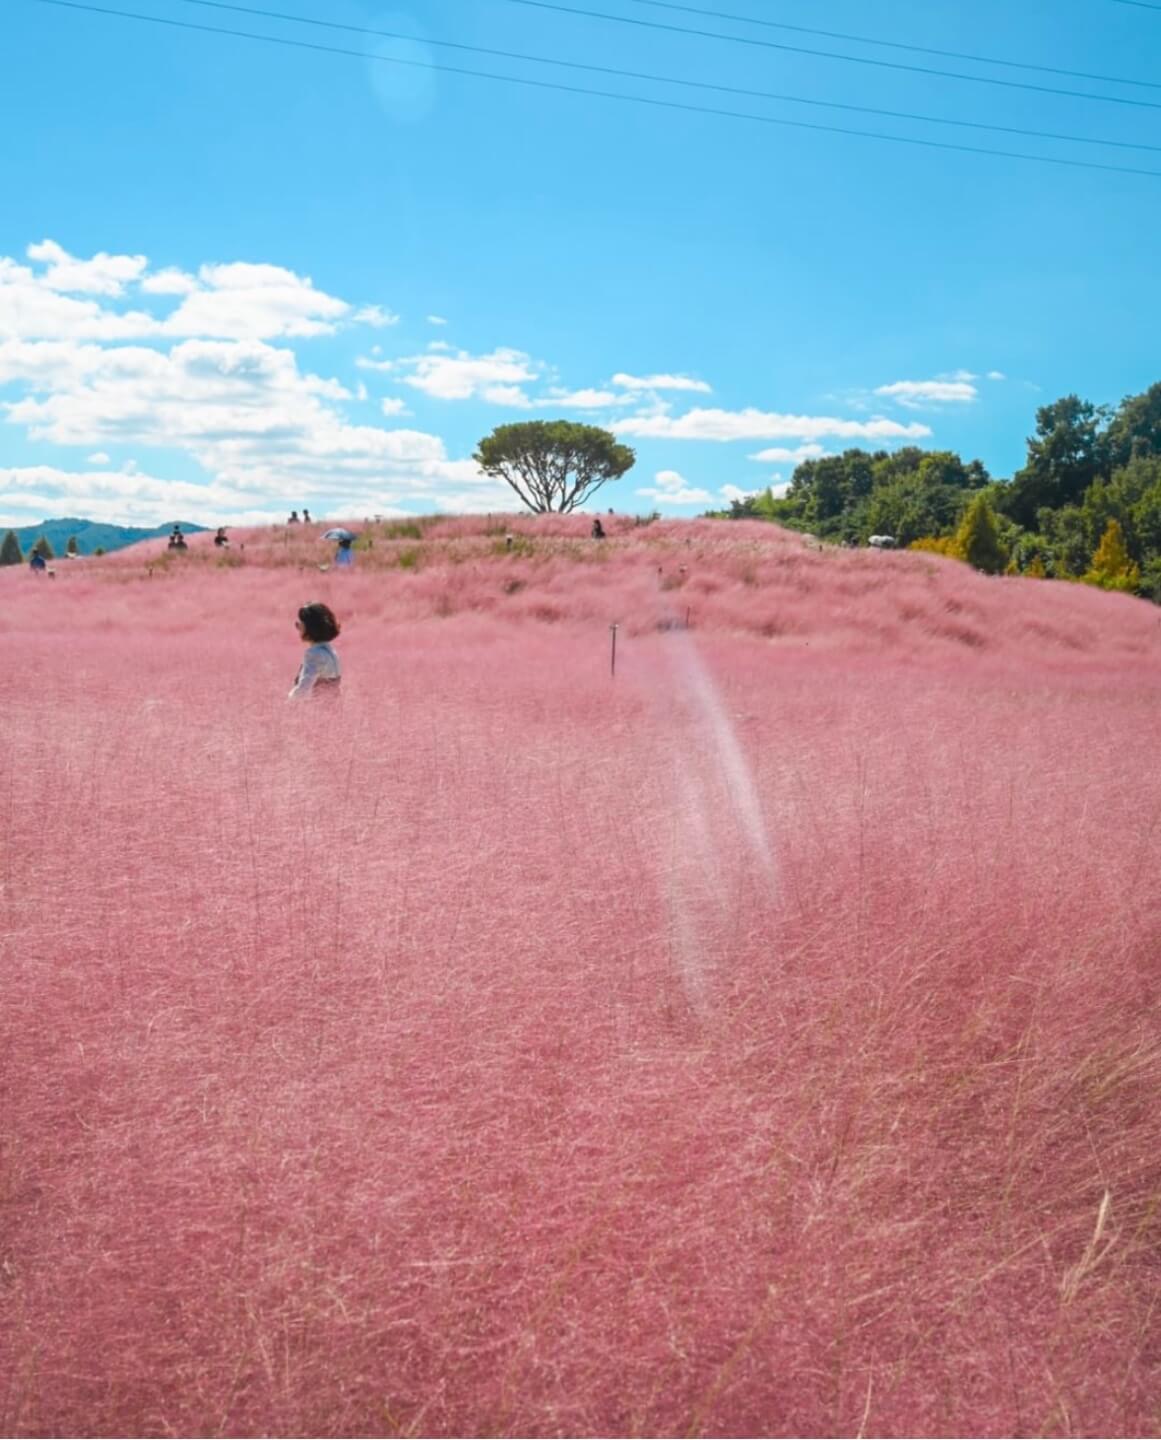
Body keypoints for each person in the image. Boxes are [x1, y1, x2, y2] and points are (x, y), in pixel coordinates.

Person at [289, 602, 342, 700]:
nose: (298, 628)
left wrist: (290, 701)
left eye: (299, 624)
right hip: (336, 706)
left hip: (322, 708)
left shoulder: (314, 654)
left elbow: (304, 685)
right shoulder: (331, 651)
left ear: (310, 628)